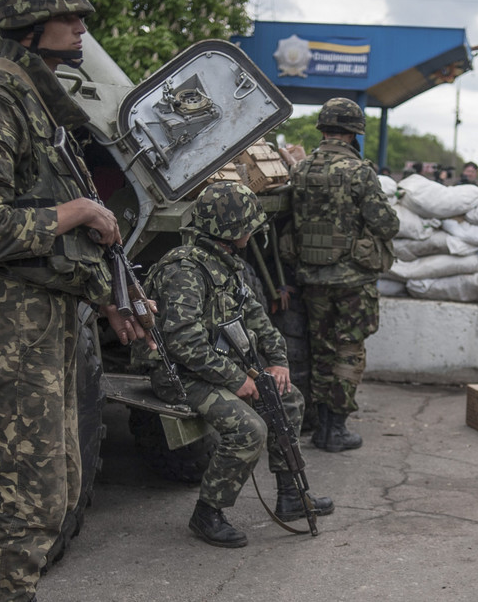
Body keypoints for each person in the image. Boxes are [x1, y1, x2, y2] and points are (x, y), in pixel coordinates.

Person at [0, 0, 151, 602]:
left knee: (56, 479)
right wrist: (81, 208)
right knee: (27, 483)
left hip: (51, 310)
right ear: (30, 24)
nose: (82, 26)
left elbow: (56, 245)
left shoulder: (38, 101)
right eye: (69, 15)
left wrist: (107, 298)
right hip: (15, 312)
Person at [135, 182, 334, 547]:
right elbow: (183, 341)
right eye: (248, 225)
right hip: (180, 375)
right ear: (233, 230)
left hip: (214, 368)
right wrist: (236, 378)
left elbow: (259, 322)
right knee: (249, 429)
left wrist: (277, 362)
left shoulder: (228, 266)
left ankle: (291, 497)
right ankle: (208, 512)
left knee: (289, 400)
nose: (252, 232)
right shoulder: (185, 268)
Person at [289, 97, 399, 452]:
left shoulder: (301, 170)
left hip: (312, 279)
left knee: (320, 351)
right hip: (352, 281)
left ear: (322, 129)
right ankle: (335, 428)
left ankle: (319, 425)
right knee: (348, 351)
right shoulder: (359, 172)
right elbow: (387, 224)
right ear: (353, 135)